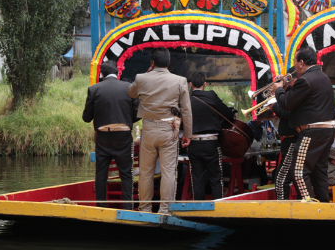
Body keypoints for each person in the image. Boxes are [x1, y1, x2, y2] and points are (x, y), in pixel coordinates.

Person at [128, 48, 193, 214]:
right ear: (169, 63)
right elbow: (186, 110)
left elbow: (131, 93)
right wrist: (188, 134)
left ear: (152, 62)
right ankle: (165, 210)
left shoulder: (141, 78)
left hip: (148, 129)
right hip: (169, 129)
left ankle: (144, 208)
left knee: (145, 173)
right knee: (169, 172)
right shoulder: (180, 80)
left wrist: (146, 73)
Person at [271, 47, 335, 203]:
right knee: (319, 173)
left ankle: (310, 210)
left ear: (301, 62)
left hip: (313, 131)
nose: (293, 65)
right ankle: (324, 211)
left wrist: (278, 90)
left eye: (294, 61)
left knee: (298, 172)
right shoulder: (323, 77)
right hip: (327, 131)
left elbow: (286, 103)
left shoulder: (305, 80)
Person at [82, 61, 140, 209]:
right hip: (123, 136)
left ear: (102, 74)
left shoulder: (94, 89)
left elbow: (86, 117)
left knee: (101, 173)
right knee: (126, 173)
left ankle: (101, 205)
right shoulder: (129, 88)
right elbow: (138, 114)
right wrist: (126, 119)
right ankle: (128, 207)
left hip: (103, 137)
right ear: (118, 73)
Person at [186, 72, 232, 200]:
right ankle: (218, 208)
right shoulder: (211, 95)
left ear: (191, 84)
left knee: (197, 179)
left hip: (193, 144)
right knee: (215, 178)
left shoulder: (187, 100)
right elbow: (227, 113)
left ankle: (199, 210)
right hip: (211, 143)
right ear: (204, 84)